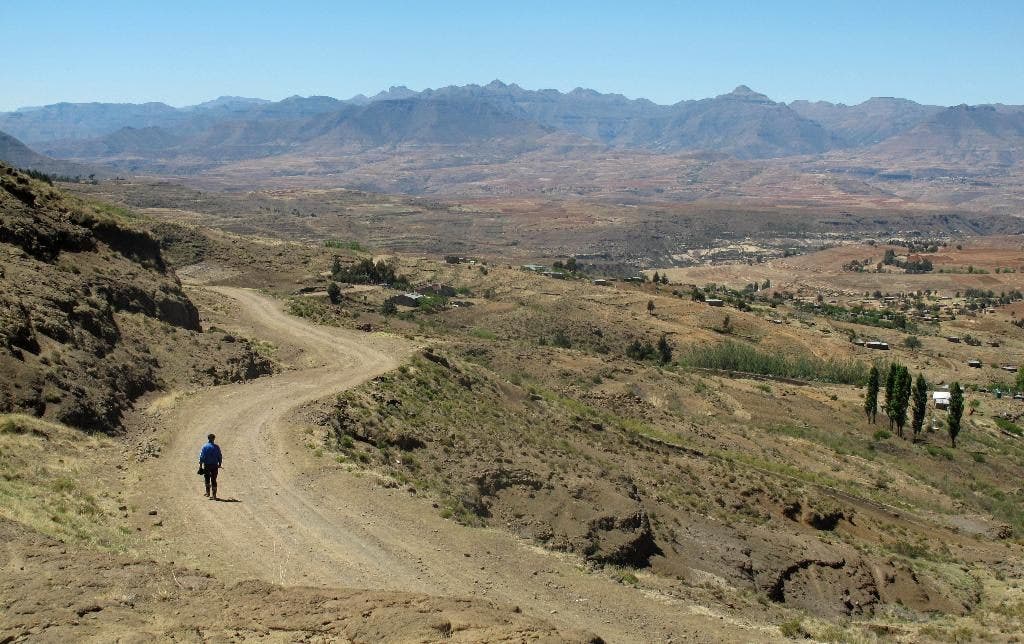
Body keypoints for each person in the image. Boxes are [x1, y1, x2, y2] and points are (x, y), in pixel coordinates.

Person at [198, 433, 223, 500]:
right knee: (214, 479)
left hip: (207, 465)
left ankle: (208, 493)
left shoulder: (205, 447)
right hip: (215, 465)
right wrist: (220, 464)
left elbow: (201, 457)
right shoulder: (217, 447)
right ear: (214, 439)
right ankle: (214, 496)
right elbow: (220, 456)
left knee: (207, 478)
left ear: (208, 438)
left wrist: (200, 466)